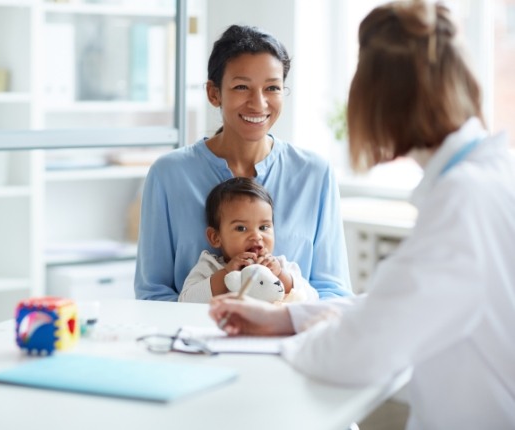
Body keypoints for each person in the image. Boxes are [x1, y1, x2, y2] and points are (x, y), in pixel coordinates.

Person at [209, 2, 515, 428]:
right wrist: (288, 318)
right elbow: (395, 304)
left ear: (385, 99)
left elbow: (361, 351)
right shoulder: (485, 179)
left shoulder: (464, 202)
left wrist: (290, 343)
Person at [135, 24, 352, 301]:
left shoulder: (315, 174)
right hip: (194, 340)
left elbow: (334, 294)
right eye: (241, 87)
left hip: (289, 340)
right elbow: (152, 294)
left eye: (272, 88)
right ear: (214, 94)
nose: (258, 103)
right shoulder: (168, 174)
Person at [179, 177, 319, 303]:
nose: (256, 236)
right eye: (241, 228)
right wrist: (225, 273)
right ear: (215, 237)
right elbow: (185, 302)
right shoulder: (210, 266)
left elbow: (312, 298)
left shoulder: (282, 265)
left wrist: (281, 275)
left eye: (264, 227)